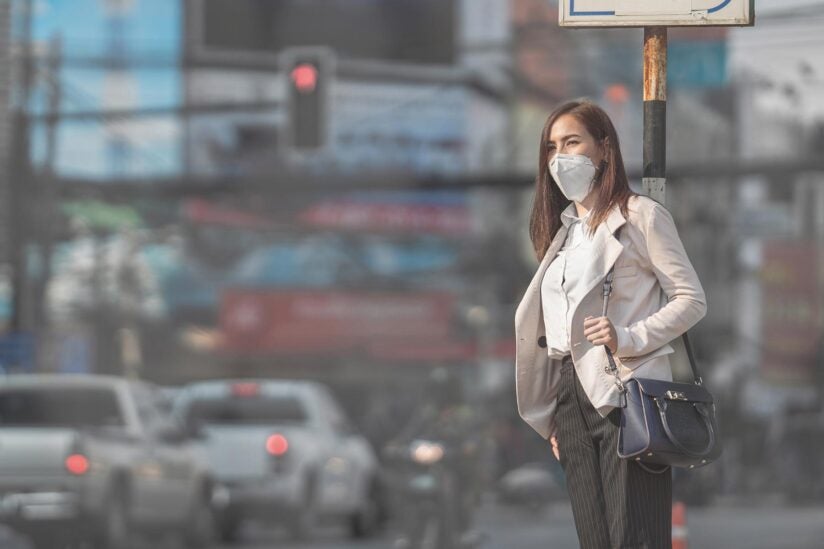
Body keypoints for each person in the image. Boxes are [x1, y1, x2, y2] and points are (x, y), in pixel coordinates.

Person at [514, 100, 706, 548]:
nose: (560, 156)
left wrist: (629, 336)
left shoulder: (640, 216)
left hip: (628, 390)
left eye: (572, 141)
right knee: (594, 539)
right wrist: (556, 415)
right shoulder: (563, 232)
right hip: (569, 397)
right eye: (551, 146)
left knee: (633, 535)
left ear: (603, 149)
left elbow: (691, 299)